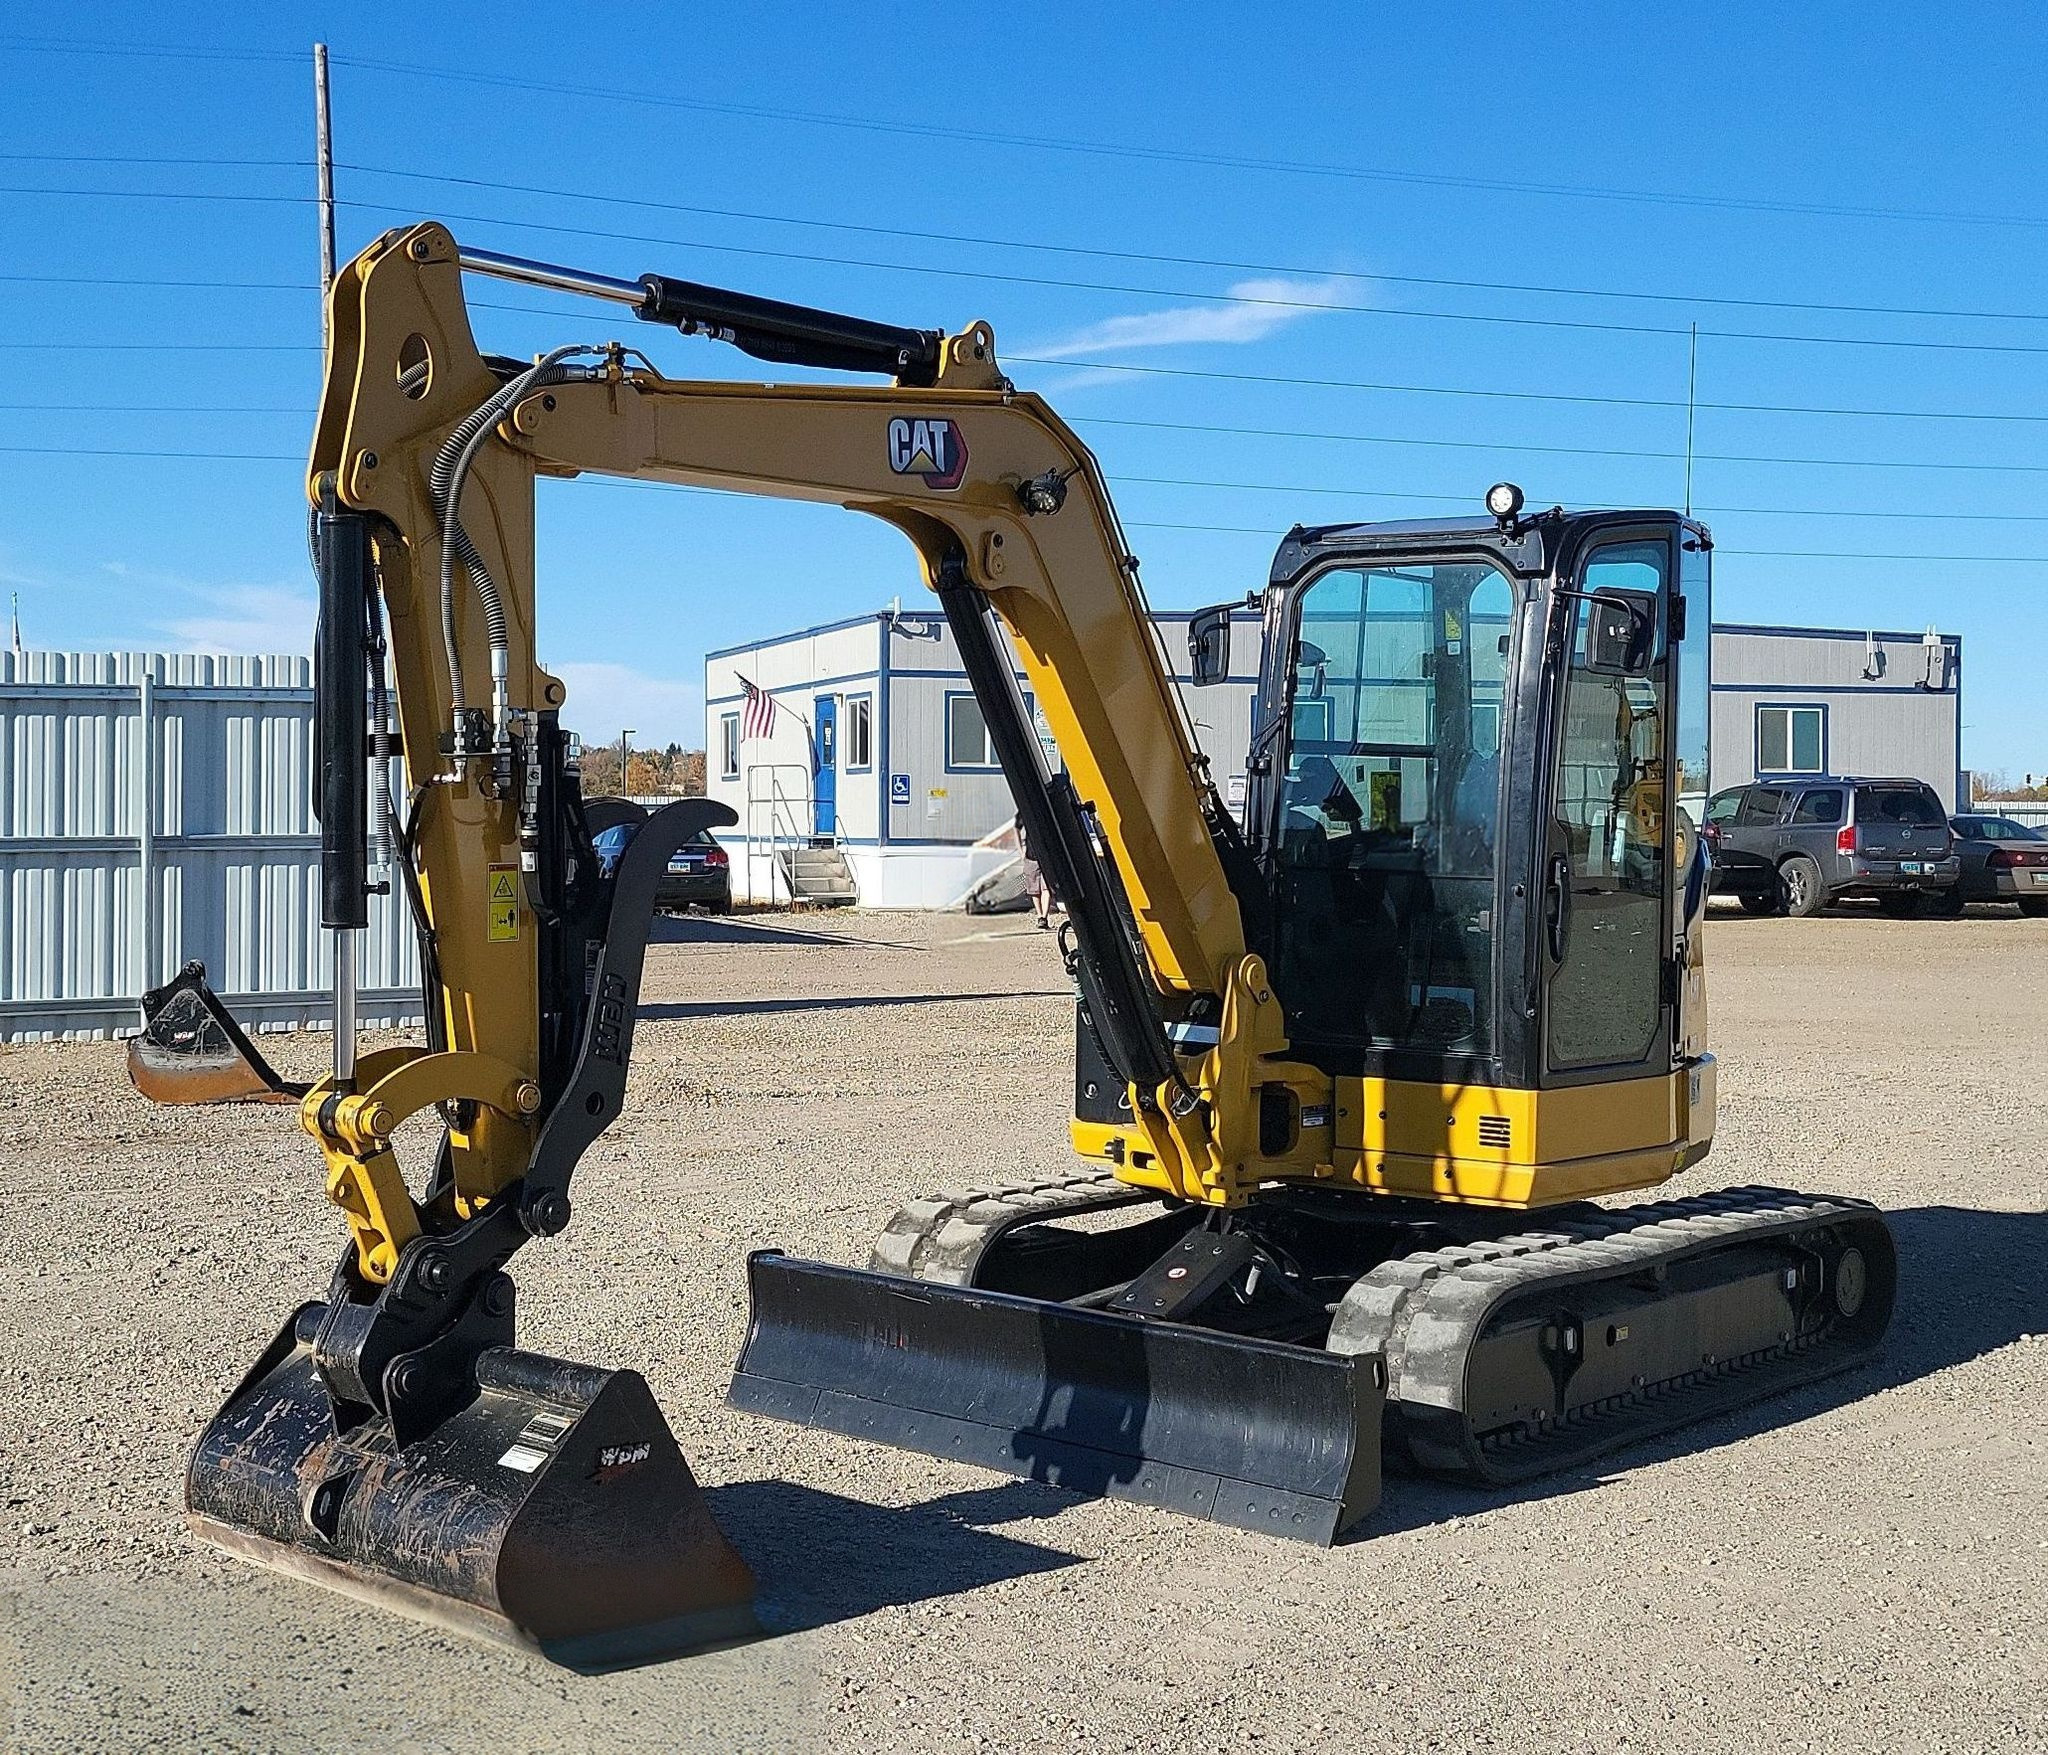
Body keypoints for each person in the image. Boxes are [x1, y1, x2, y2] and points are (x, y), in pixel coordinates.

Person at [1016, 817, 1056, 930]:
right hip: (1037, 855)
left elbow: (1016, 828)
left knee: (1042, 888)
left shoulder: (1031, 811)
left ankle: (1042, 916)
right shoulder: (1032, 812)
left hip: (1039, 856)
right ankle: (1042, 916)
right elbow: (1016, 828)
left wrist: (1021, 850)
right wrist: (1021, 850)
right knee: (1039, 889)